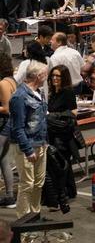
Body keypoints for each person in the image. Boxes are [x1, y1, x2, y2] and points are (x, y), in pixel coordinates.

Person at [9, 61, 48, 219]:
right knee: (27, 184)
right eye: (45, 74)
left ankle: (34, 216)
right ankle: (23, 223)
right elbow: (17, 127)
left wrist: (45, 143)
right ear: (39, 76)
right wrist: (28, 149)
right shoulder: (19, 96)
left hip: (41, 143)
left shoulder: (39, 92)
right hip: (26, 146)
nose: (47, 77)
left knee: (39, 183)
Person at [45, 65, 77, 212]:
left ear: (64, 78)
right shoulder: (53, 93)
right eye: (53, 76)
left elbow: (74, 113)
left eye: (58, 76)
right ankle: (69, 192)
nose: (55, 79)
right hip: (53, 133)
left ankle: (62, 196)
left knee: (60, 165)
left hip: (63, 135)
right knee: (62, 165)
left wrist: (53, 117)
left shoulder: (68, 93)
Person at [0, 54, 16, 207]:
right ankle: (10, 196)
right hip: (9, 125)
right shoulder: (12, 80)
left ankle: (10, 196)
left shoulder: (4, 83)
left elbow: (6, 108)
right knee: (4, 161)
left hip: (4, 125)